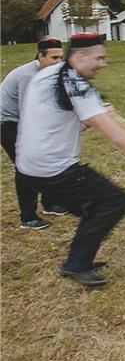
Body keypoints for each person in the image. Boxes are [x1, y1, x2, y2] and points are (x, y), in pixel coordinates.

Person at [15, 33, 125, 286]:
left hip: (28, 166)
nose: (103, 64)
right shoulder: (77, 85)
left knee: (95, 205)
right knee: (114, 201)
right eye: (99, 58)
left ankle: (79, 258)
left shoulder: (49, 74)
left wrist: (94, 115)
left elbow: (59, 116)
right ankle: (76, 264)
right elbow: (115, 136)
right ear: (79, 56)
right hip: (53, 169)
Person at [0, 38, 68, 229]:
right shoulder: (28, 77)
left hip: (23, 120)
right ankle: (27, 217)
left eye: (60, 58)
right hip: (7, 123)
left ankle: (50, 204)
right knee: (26, 167)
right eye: (54, 58)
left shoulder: (50, 73)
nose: (58, 62)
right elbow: (29, 112)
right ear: (41, 56)